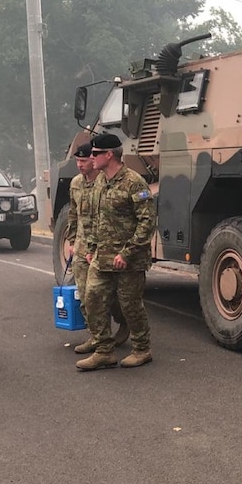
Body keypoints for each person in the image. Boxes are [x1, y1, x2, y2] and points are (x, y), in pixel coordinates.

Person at [75, 133, 157, 371]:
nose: (91, 157)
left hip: (128, 261)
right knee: (92, 298)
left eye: (95, 153)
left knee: (130, 305)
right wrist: (91, 248)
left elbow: (147, 222)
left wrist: (127, 253)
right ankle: (104, 350)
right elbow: (94, 217)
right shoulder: (100, 181)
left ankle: (142, 349)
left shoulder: (134, 182)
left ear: (108, 155)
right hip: (102, 257)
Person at [66, 142, 130, 354]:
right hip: (82, 246)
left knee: (109, 296)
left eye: (84, 161)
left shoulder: (104, 183)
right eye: (78, 161)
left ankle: (123, 323)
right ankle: (97, 337)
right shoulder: (76, 183)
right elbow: (73, 214)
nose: (80, 165)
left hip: (103, 245)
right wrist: (71, 240)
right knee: (86, 295)